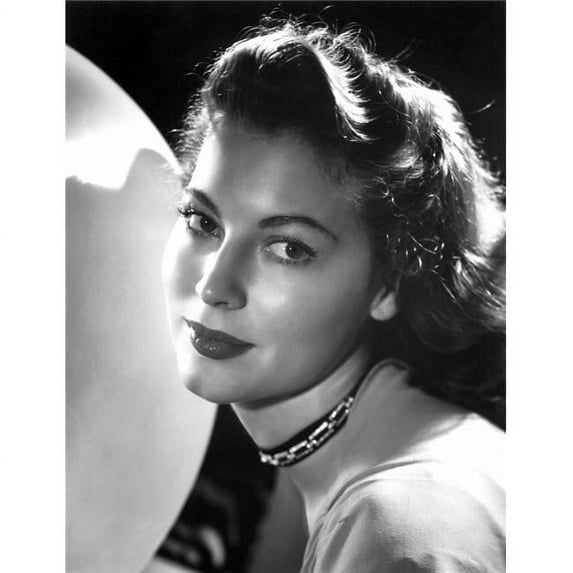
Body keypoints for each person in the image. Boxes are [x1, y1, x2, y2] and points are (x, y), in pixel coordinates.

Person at [162, 16, 505, 572]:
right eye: (203, 221)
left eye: (289, 248)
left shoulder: (396, 528)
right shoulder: (368, 456)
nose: (214, 286)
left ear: (389, 284)